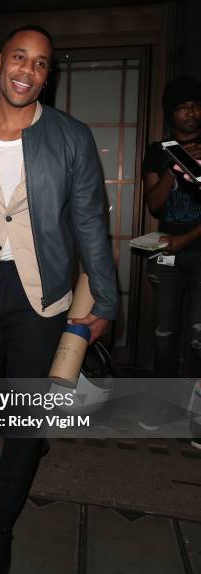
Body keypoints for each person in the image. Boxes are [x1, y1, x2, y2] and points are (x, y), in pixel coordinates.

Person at [0, 25, 118, 574]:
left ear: (46, 75)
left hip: (43, 291)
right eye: (19, 58)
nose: (27, 70)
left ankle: (1, 525)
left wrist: (105, 297)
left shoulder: (71, 137)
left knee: (26, 415)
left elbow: (89, 221)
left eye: (40, 64)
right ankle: (20, 444)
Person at [142, 77, 201, 439]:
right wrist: (174, 167)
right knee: (165, 335)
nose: (190, 112)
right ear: (171, 114)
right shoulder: (158, 150)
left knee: (198, 337)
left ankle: (194, 417)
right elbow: (154, 204)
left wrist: (186, 239)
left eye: (195, 105)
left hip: (196, 251)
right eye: (182, 107)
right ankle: (163, 408)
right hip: (166, 253)